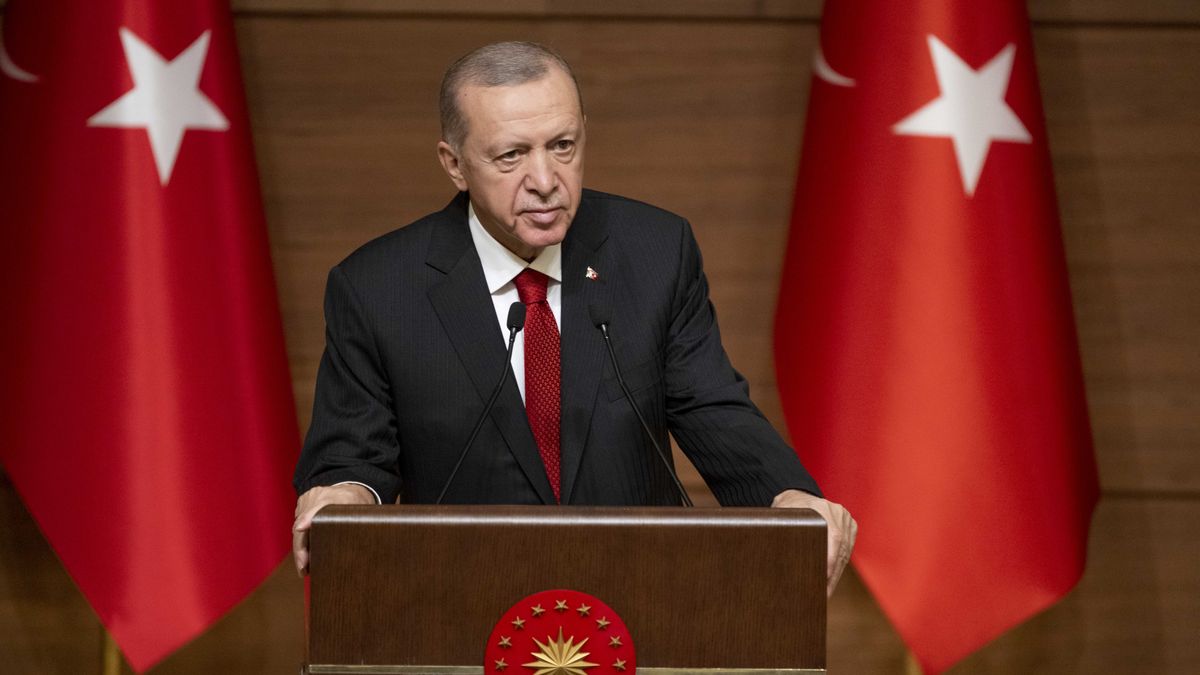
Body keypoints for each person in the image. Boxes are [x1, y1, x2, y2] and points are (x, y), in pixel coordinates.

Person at [292, 41, 856, 596]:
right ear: (455, 164)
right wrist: (342, 496)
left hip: (639, 597)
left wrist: (786, 496)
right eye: (511, 155)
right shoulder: (376, 288)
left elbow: (711, 405)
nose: (544, 180)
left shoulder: (655, 252)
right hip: (461, 600)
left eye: (562, 145)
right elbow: (352, 458)